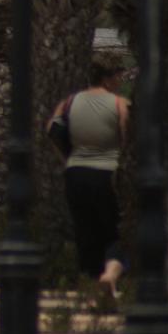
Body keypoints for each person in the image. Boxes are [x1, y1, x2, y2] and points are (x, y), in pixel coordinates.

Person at [48, 56, 130, 296]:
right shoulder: (119, 104)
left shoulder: (69, 102)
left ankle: (90, 287)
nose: (119, 79)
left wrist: (68, 158)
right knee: (116, 231)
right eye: (117, 75)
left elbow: (51, 130)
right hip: (107, 175)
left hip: (76, 173)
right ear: (107, 78)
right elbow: (127, 140)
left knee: (86, 232)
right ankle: (110, 276)